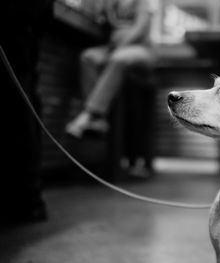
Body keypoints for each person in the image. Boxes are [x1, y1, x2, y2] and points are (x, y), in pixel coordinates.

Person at [65, 0, 156, 138]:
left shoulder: (141, 2)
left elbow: (140, 29)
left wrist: (121, 45)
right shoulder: (111, 3)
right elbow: (95, 12)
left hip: (141, 49)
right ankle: (98, 120)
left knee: (118, 58)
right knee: (88, 57)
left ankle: (90, 113)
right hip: (114, 49)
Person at [1, 0, 53, 224]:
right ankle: (29, 198)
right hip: (28, 17)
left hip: (17, 16)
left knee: (19, 99)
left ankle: (28, 199)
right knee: (24, 93)